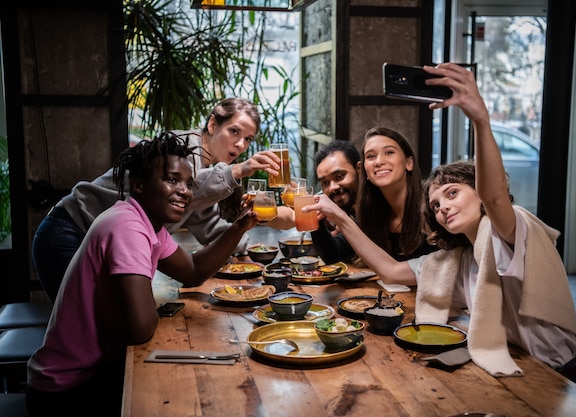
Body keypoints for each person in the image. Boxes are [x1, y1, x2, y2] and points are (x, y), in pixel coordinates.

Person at [25, 132, 259, 417]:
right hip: (67, 391)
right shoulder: (127, 226)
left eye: (188, 184)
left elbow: (194, 271)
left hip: (92, 374)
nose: (185, 191)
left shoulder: (149, 225)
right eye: (172, 180)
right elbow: (140, 328)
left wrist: (240, 226)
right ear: (137, 184)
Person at [406, 63, 576, 390]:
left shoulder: (512, 228)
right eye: (435, 205)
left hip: (560, 382)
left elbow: (494, 197)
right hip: (517, 374)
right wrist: (337, 217)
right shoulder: (461, 260)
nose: (443, 206)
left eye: (452, 193)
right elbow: (393, 273)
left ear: (478, 195)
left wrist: (480, 120)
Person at [32, 97, 283, 302]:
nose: (240, 144)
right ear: (212, 125)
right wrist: (239, 170)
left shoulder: (200, 174)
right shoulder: (179, 150)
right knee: (85, 325)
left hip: (96, 240)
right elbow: (193, 185)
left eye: (248, 139)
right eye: (234, 131)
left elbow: (206, 222)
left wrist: (250, 249)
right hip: (69, 230)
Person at [303, 127, 435, 282]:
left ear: (409, 163)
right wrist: (314, 215)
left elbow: (400, 273)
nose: (379, 162)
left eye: (389, 152)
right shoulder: (372, 213)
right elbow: (333, 255)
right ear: (364, 169)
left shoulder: (433, 207)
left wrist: (340, 217)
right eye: (371, 156)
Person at [309, 140, 360, 263]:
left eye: (339, 176)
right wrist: (316, 220)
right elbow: (334, 255)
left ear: (359, 170)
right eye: (325, 183)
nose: (333, 187)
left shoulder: (376, 206)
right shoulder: (354, 212)